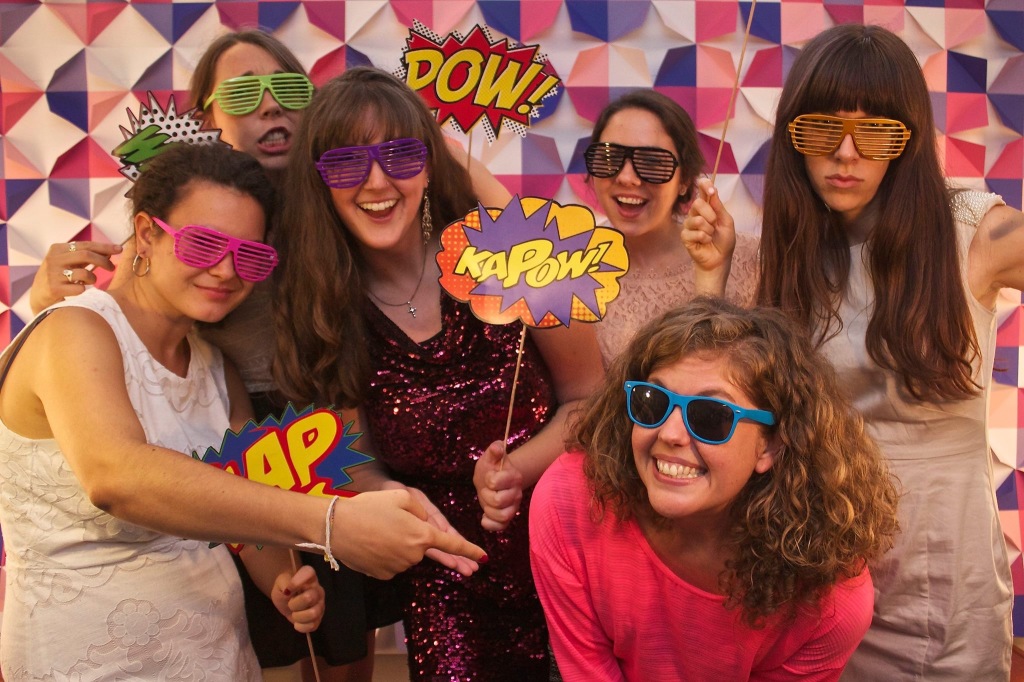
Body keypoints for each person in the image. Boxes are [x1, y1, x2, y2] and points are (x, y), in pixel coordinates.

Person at [0, 143, 485, 679]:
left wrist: (279, 577)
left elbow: (246, 500)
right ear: (146, 234)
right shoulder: (75, 329)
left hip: (219, 657)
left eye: (250, 256)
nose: (227, 270)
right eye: (204, 244)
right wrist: (331, 523)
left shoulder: (213, 365)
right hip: (88, 659)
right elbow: (117, 477)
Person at [686, 23, 1024, 680]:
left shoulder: (968, 230)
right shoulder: (795, 248)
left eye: (875, 134)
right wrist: (712, 274)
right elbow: (729, 395)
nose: (845, 154)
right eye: (821, 131)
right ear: (793, 138)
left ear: (909, 142)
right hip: (822, 563)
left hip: (938, 568)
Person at [273, 66, 604, 680]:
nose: (377, 181)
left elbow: (591, 397)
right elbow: (358, 462)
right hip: (450, 585)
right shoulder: (322, 309)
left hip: (574, 553)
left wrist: (516, 471)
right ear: (319, 182)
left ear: (431, 163)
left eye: (400, 155)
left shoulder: (500, 257)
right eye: (347, 163)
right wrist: (388, 497)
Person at [530, 298, 900, 681]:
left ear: (771, 445)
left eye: (710, 417)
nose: (669, 434)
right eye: (653, 402)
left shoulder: (830, 600)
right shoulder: (570, 499)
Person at [584, 90, 758, 364]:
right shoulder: (571, 269)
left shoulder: (749, 260)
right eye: (608, 157)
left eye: (652, 162)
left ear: (685, 181)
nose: (627, 177)